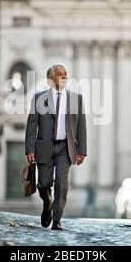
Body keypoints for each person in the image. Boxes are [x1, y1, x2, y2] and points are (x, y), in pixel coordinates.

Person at [25, 64, 87, 231]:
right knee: (43, 184)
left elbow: (81, 126)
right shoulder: (39, 98)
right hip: (44, 146)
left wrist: (82, 150)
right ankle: (48, 202)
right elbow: (32, 125)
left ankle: (57, 220)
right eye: (60, 74)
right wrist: (29, 149)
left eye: (66, 73)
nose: (64, 76)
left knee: (61, 183)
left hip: (64, 148)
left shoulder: (76, 99)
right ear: (50, 80)